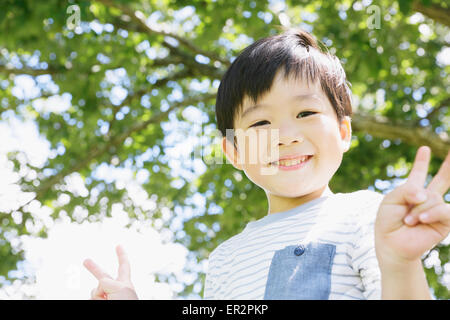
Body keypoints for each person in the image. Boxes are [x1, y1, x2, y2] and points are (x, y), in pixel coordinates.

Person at [83, 28, 450, 300]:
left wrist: (401, 264)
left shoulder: (366, 217)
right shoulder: (226, 258)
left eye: (306, 112)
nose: (286, 135)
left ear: (343, 131)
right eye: (260, 122)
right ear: (235, 153)